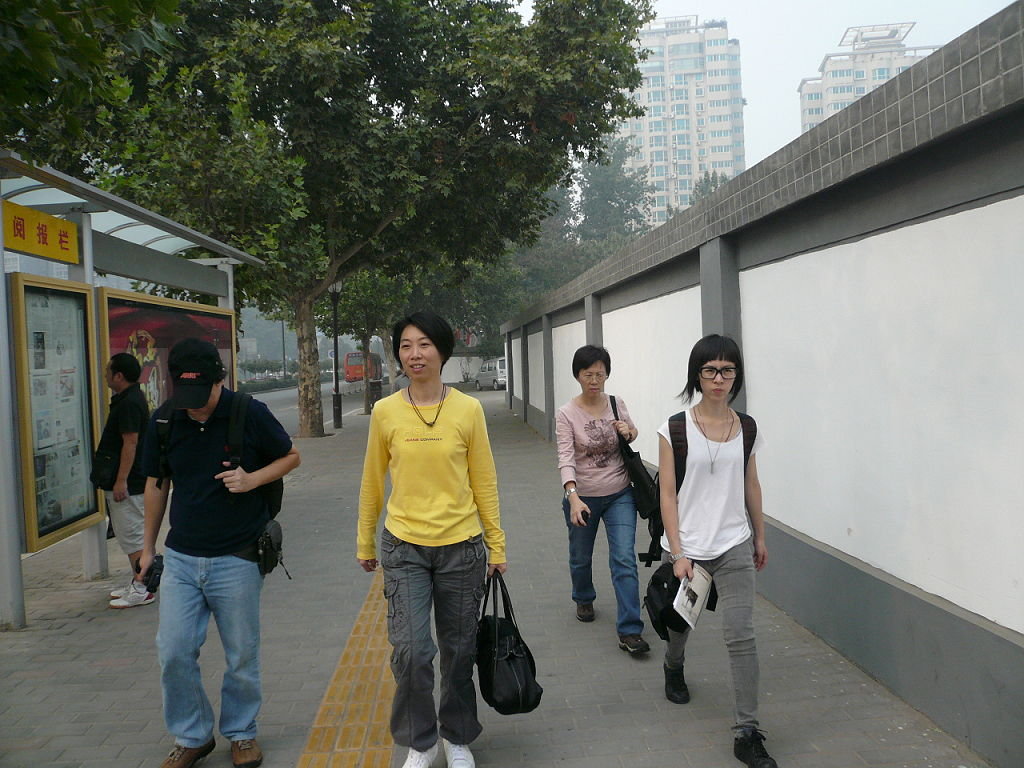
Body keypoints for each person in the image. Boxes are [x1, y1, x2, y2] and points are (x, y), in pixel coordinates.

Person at [138, 338, 300, 768]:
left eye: (202, 395)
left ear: (219, 380)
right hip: (182, 558)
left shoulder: (249, 412)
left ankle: (242, 733)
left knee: (241, 654)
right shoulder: (165, 419)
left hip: (238, 556)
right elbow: (157, 483)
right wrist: (147, 548)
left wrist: (252, 479)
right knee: (173, 650)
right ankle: (192, 735)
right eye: (186, 395)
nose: (195, 406)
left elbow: (290, 456)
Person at [357, 311, 507, 768]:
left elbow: (484, 481)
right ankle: (420, 742)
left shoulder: (468, 409)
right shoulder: (385, 412)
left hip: (462, 547)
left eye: (424, 344)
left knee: (459, 651)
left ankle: (457, 736)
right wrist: (365, 542)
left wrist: (496, 545)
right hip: (404, 547)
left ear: (442, 351)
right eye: (405, 346)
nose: (414, 354)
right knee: (412, 651)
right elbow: (372, 481)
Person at [656, 334, 778, 768]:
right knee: (680, 626)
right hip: (689, 547)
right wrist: (677, 552)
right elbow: (666, 493)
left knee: (740, 635)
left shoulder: (746, 428)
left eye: (727, 370)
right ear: (697, 375)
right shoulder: (674, 428)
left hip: (733, 545)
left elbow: (751, 484)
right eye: (710, 370)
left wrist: (759, 536)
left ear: (736, 376)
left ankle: (747, 732)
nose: (719, 379)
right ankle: (673, 665)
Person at [555, 344, 650, 655]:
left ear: (607, 374)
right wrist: (572, 496)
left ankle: (630, 630)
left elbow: (632, 433)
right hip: (583, 498)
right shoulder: (566, 414)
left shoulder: (615, 402)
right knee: (581, 557)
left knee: (624, 559)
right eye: (588, 374)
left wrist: (629, 431)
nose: (594, 380)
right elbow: (566, 457)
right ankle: (583, 596)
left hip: (620, 493)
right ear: (578, 376)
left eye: (600, 374)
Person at [95, 353, 152, 608]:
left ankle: (142, 587)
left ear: (119, 376)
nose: (105, 375)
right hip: (131, 480)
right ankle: (137, 581)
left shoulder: (129, 403)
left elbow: (130, 442)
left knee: (133, 536)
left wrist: (121, 481)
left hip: (131, 482)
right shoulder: (128, 399)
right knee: (130, 534)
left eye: (108, 371)